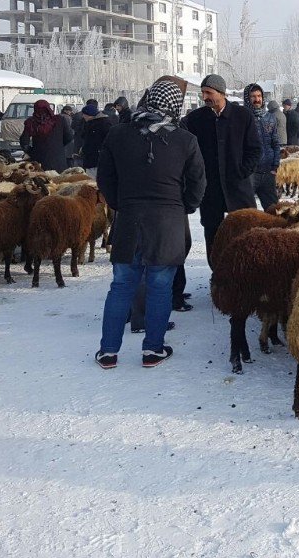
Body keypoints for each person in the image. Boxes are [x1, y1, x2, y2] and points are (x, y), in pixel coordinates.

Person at [95, 79, 205, 369]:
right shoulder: (184, 139)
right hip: (167, 224)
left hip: (129, 221)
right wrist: (185, 207)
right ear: (175, 105)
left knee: (121, 286)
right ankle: (153, 349)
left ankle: (108, 351)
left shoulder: (118, 135)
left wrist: (122, 204)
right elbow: (197, 183)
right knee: (159, 286)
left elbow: (105, 179)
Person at [182, 74, 261, 265]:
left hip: (238, 187)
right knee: (213, 234)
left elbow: (255, 149)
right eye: (203, 93)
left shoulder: (243, 116)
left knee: (246, 230)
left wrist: (242, 171)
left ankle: (247, 271)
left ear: (222, 93)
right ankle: (217, 274)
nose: (205, 97)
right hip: (210, 190)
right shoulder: (195, 119)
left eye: (208, 92)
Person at [245, 83, 281, 209]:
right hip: (250, 172)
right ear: (247, 99)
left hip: (268, 171)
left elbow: (276, 143)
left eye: (259, 96)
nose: (257, 99)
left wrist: (275, 166)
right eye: (253, 96)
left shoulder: (270, 117)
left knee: (274, 210)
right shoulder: (243, 117)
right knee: (249, 211)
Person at [19, 99, 73, 173]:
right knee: (59, 182)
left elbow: (24, 141)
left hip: (39, 161)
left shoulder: (31, 122)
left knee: (41, 181)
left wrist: (32, 151)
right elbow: (69, 136)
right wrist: (59, 145)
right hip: (58, 160)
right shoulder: (60, 120)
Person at [80, 102, 117, 173]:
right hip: (91, 157)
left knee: (94, 179)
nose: (83, 116)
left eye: (84, 114)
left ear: (89, 114)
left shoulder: (103, 123)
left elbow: (108, 140)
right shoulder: (90, 123)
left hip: (97, 157)